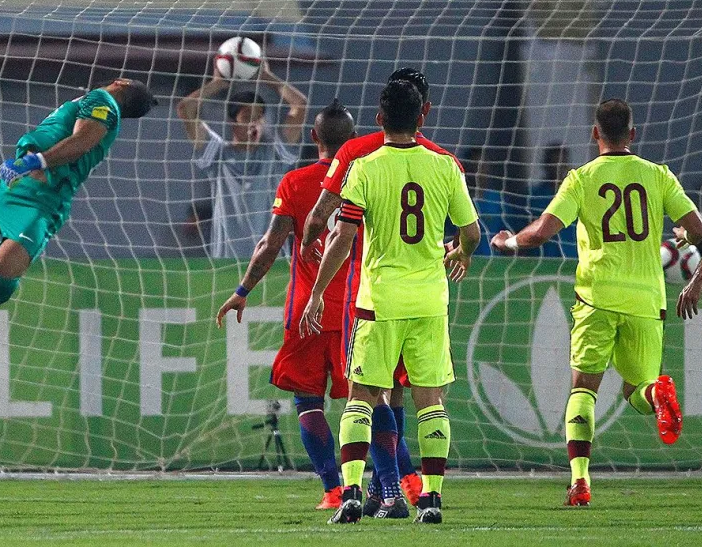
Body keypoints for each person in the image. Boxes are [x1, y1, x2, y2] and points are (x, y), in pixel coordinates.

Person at [490, 98, 702, 507]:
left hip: (597, 297)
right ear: (633, 133)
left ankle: (580, 481)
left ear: (595, 135)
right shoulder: (657, 175)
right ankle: (657, 393)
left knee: (583, 389)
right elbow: (700, 229)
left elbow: (541, 233)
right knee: (637, 390)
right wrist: (680, 235)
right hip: (646, 299)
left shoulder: (582, 178)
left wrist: (510, 241)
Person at [300, 80, 480, 525]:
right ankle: (432, 499)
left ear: (379, 119)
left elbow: (342, 237)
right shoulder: (445, 167)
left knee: (360, 397)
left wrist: (319, 291)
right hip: (428, 300)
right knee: (430, 400)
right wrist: (461, 253)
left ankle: (353, 495)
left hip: (377, 300)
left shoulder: (365, 167)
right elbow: (471, 231)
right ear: (423, 117)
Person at [0, 78, 157, 346]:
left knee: (3, 268)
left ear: (121, 82)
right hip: (6, 188)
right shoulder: (93, 103)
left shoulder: (104, 102)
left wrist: (34, 161)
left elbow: (83, 141)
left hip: (40, 202)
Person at [216, 100, 356, 511]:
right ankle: (398, 484)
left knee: (308, 402)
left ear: (314, 137)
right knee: (368, 402)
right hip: (355, 311)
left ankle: (333, 490)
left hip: (306, 313)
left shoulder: (294, 183)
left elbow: (269, 245)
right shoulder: (368, 180)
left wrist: (242, 290)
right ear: (353, 139)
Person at [177, 59, 307, 258]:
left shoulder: (275, 153)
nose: (254, 124)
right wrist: (217, 83)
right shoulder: (217, 154)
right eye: (247, 117)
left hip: (272, 262)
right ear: (232, 123)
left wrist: (267, 77)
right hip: (227, 261)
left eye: (259, 117)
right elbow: (185, 109)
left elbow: (300, 105)